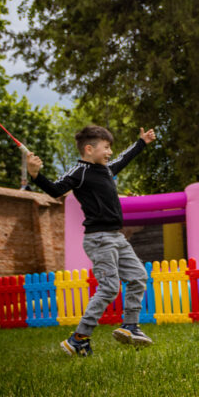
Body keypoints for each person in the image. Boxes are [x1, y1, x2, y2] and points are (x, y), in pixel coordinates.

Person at [27, 124, 157, 356]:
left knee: (138, 277)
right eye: (106, 148)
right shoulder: (80, 171)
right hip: (99, 239)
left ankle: (130, 326)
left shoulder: (105, 170)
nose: (109, 153)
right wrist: (36, 175)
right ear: (89, 149)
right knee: (108, 287)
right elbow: (56, 190)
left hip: (117, 237)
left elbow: (123, 159)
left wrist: (141, 143)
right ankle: (79, 338)